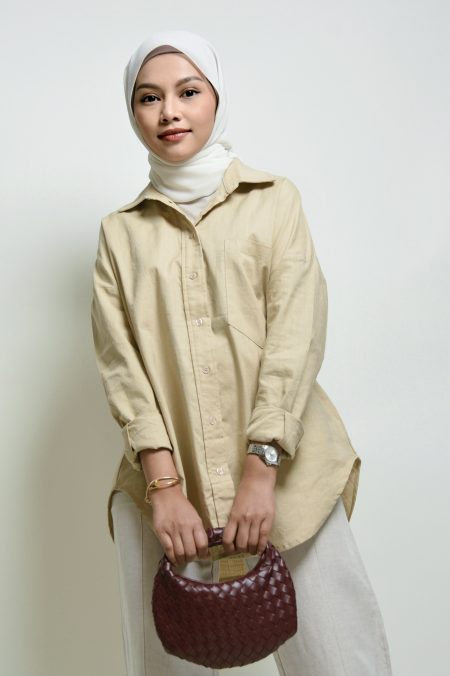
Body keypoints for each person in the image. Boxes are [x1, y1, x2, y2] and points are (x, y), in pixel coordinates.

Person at [90, 29, 393, 676]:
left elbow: (297, 332)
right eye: (149, 97)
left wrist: (262, 467)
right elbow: (121, 364)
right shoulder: (120, 234)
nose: (169, 112)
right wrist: (164, 487)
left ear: (216, 98)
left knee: (343, 660)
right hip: (163, 498)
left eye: (188, 92)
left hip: (291, 478)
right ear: (132, 111)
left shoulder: (275, 201)